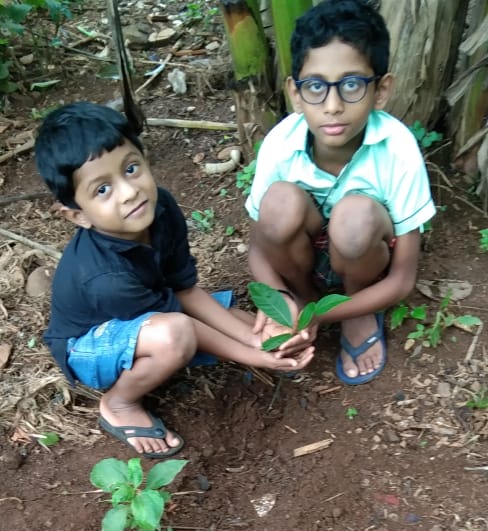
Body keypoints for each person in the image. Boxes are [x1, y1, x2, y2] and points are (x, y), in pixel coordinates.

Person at [34, 102, 314, 459]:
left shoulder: (161, 208)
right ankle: (119, 404)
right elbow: (182, 324)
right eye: (102, 190)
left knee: (251, 326)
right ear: (78, 215)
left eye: (131, 169)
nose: (129, 191)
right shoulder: (105, 278)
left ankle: (260, 343)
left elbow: (183, 290)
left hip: (152, 312)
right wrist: (254, 356)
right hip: (89, 345)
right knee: (176, 336)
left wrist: (254, 339)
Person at [246, 0, 436, 385]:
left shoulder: (397, 149)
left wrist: (318, 317)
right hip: (303, 261)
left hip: (365, 256)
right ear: (295, 93)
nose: (332, 106)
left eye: (351, 85)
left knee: (355, 217)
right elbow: (258, 246)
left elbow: (403, 278)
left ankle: (356, 305)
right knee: (279, 203)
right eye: (316, 86)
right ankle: (303, 294)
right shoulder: (281, 144)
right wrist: (281, 299)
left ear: (380, 90)